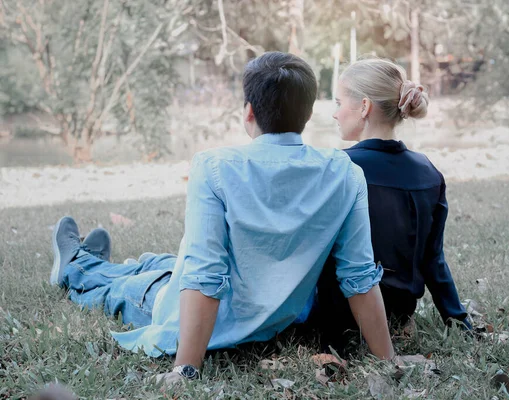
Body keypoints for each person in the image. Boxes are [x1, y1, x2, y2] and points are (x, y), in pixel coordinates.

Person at [49, 52, 394, 385]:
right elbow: (359, 275)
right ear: (307, 116)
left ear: (248, 112)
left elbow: (204, 274)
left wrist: (185, 369)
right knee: (161, 264)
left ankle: (75, 264)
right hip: (272, 320)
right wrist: (387, 360)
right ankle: (119, 262)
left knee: (124, 289)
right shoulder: (344, 173)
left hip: (204, 323)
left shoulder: (215, 167)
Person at [317, 58, 470, 352]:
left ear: (364, 107)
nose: (335, 114)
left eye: (339, 103)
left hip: (341, 312)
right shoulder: (429, 171)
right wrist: (459, 320)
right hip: (399, 311)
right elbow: (433, 259)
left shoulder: (341, 167)